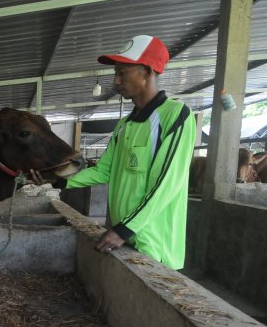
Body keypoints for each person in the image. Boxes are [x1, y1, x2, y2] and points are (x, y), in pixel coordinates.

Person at [43, 35, 196, 269]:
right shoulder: (124, 125)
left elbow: (166, 184)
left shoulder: (176, 115)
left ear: (146, 72)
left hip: (154, 243)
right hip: (124, 235)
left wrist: (124, 229)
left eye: (122, 72)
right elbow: (105, 171)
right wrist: (58, 179)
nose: (115, 81)